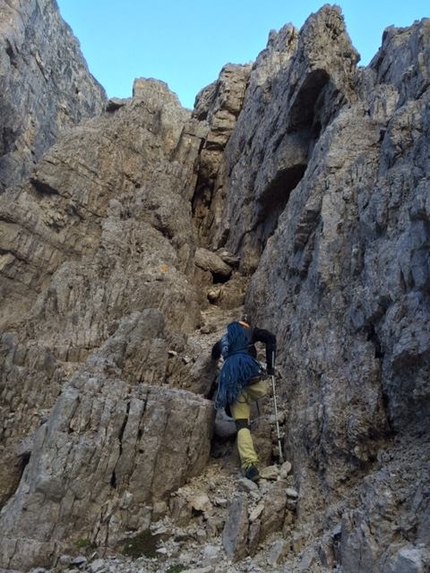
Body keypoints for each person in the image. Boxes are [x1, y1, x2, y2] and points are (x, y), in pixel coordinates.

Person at [211, 318, 276, 482]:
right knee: (263, 390)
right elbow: (270, 338)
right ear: (244, 325)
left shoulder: (224, 340)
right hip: (254, 383)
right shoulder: (249, 331)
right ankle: (253, 403)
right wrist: (270, 368)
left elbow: (213, 353)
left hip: (233, 385)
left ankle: (249, 466)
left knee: (242, 426)